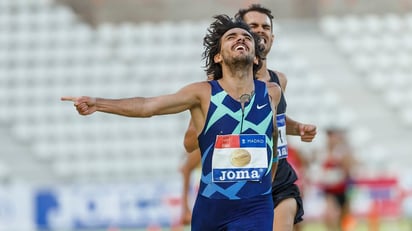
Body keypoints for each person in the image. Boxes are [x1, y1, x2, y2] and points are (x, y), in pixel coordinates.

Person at [62, 14, 282, 231]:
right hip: (211, 209)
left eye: (246, 37)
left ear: (255, 57)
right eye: (231, 37)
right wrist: (98, 103)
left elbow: (274, 142)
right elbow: (148, 106)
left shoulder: (271, 93)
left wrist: (263, 188)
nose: (240, 39)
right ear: (218, 57)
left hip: (256, 208)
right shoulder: (202, 93)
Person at [179, 4, 317, 231]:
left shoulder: (278, 81)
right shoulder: (216, 89)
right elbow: (189, 143)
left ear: (272, 37)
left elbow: (274, 120)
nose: (260, 30)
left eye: (265, 27)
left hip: (278, 179)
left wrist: (298, 127)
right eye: (253, 26)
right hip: (240, 186)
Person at [318, 128, 356, 231]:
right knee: (331, 215)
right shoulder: (323, 152)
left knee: (344, 216)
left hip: (343, 188)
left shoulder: (342, 152)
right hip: (330, 190)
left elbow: (348, 169)